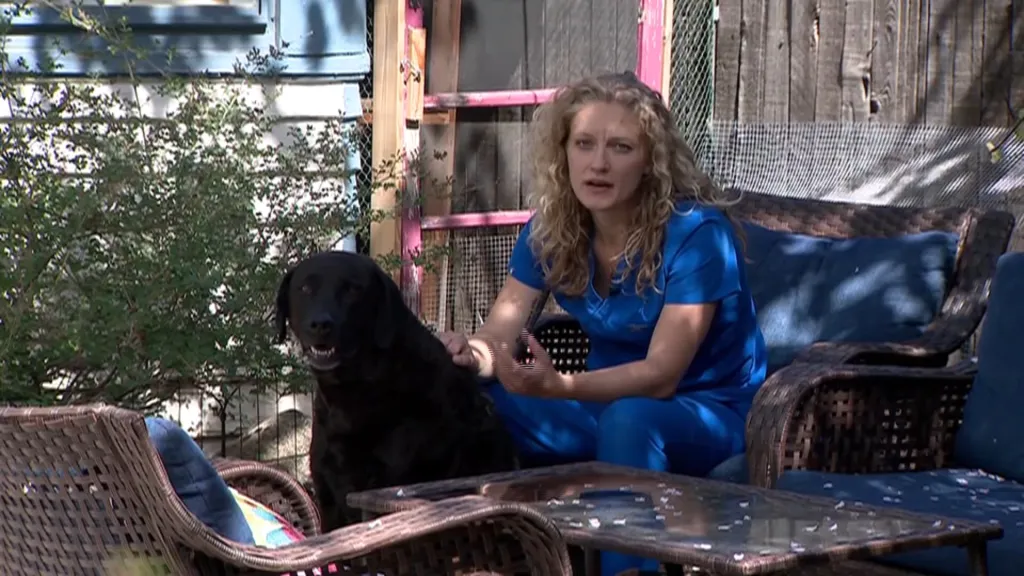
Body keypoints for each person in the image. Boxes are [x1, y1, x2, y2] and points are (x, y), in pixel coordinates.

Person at [438, 71, 767, 576]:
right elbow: (499, 335)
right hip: (598, 406)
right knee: (469, 402)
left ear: (651, 163)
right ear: (563, 152)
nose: (598, 163)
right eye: (585, 143)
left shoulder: (698, 235)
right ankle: (482, 558)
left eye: (620, 147)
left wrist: (558, 386)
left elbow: (661, 376)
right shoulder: (551, 229)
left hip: (708, 413)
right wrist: (470, 356)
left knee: (630, 420)